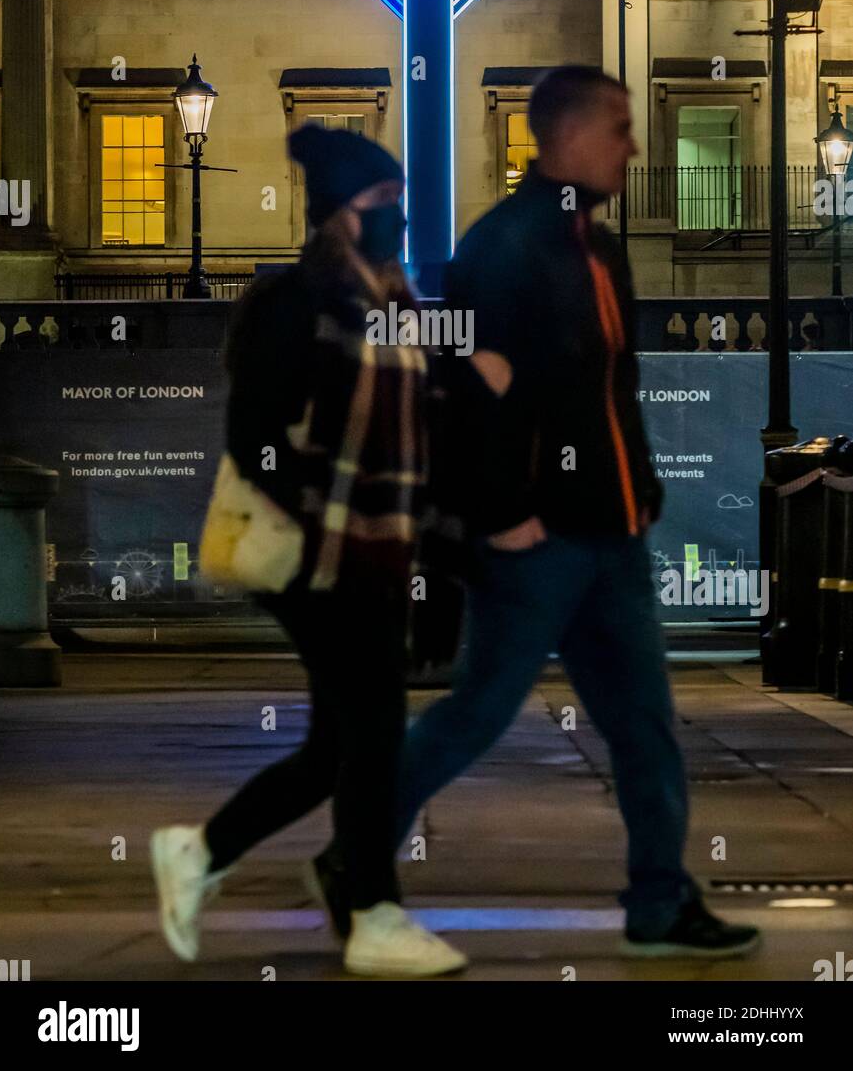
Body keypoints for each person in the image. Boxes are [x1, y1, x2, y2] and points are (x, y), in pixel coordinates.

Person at [315, 66, 760, 961]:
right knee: (476, 714)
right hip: (538, 539)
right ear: (567, 140)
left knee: (642, 724)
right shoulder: (508, 246)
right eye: (620, 128)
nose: (634, 147)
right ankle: (352, 856)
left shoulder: (597, 245)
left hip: (613, 528)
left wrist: (637, 491)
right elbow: (471, 394)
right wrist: (501, 513)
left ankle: (660, 902)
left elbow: (608, 386)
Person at [150, 123, 466, 979]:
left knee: (339, 744)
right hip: (310, 556)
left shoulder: (400, 310)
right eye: (382, 205)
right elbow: (251, 436)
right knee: (370, 729)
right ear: (338, 215)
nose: (397, 221)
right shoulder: (292, 306)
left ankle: (201, 852)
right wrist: (317, 514)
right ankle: (371, 909)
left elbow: (429, 447)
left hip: (379, 554)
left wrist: (438, 565)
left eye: (403, 205)